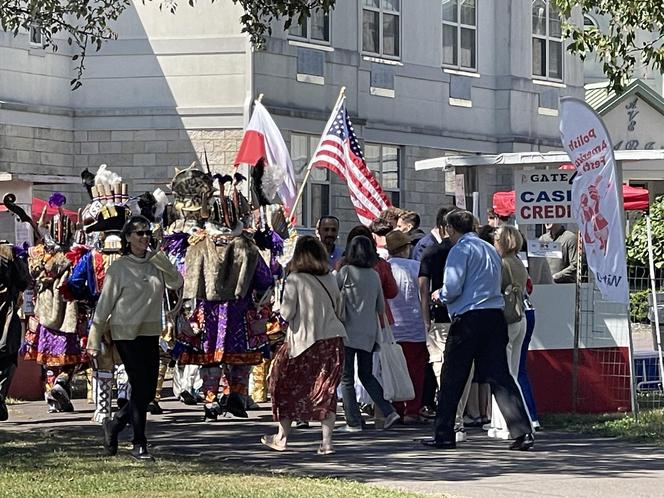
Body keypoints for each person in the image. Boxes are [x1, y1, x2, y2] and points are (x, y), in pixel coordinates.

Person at [422, 210, 534, 451]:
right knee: (500, 376)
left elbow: (452, 286)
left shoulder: (460, 250)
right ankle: (522, 432)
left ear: (451, 229)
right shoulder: (489, 249)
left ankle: (444, 434)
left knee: (453, 377)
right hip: (494, 316)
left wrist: (438, 295)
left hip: (469, 317)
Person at [87, 215, 184, 461]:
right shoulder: (119, 268)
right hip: (125, 333)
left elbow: (177, 282)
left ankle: (116, 423)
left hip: (150, 332)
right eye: (139, 233)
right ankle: (139, 443)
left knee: (148, 392)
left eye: (147, 233)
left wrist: (159, 257)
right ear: (128, 237)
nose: (144, 237)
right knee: (140, 386)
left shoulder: (155, 264)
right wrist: (94, 338)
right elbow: (104, 305)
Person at [262, 236, 346, 455]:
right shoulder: (330, 277)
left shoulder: (294, 279)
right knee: (326, 390)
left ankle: (282, 437)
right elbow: (339, 308)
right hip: (332, 338)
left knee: (285, 385)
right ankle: (327, 443)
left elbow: (287, 313)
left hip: (303, 341)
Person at [337, 236, 400, 432]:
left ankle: (353, 421)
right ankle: (389, 411)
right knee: (366, 374)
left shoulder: (345, 272)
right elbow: (381, 306)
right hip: (369, 332)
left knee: (346, 377)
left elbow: (334, 296)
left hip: (347, 330)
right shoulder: (374, 275)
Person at [486, 225, 530, 439]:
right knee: (511, 371)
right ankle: (507, 422)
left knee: (503, 375)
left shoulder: (502, 263)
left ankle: (506, 423)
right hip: (519, 315)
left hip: (506, 319)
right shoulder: (518, 262)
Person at [385, 231, 427, 423]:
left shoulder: (385, 268)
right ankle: (412, 409)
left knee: (393, 370)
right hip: (415, 327)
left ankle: (396, 407)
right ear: (406, 248)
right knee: (416, 371)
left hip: (392, 328)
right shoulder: (416, 267)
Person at [0, 243, 31, 421]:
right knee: (7, 357)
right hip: (6, 315)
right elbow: (24, 281)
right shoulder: (8, 253)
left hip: (7, 314)